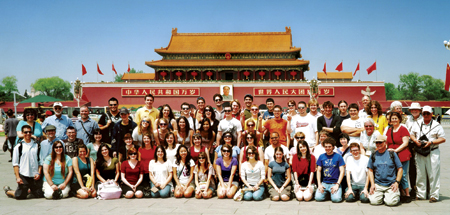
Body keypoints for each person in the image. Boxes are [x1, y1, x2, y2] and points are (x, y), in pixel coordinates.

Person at [410, 106, 445, 203]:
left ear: (431, 114)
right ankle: (421, 194)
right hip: (420, 151)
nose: (425, 115)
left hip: (433, 151)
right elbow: (411, 134)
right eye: (424, 113)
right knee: (420, 173)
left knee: (433, 174)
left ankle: (434, 195)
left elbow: (442, 138)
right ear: (422, 114)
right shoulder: (417, 123)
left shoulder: (436, 125)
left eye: (428, 113)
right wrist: (415, 140)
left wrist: (431, 142)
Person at [3, 125, 44, 199]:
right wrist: (18, 177)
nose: (28, 134)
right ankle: (9, 191)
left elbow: (40, 162)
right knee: (20, 196)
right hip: (24, 174)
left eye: (29, 132)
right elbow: (15, 164)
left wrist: (39, 173)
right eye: (25, 132)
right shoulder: (18, 147)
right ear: (22, 133)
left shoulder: (37, 146)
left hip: (34, 175)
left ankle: (28, 189)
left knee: (39, 194)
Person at [367, 135, 403, 206]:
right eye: (376, 143)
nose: (378, 144)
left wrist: (397, 182)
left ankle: (392, 195)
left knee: (391, 203)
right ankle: (384, 196)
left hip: (391, 184)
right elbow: (370, 170)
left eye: (380, 142)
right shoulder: (373, 155)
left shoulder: (392, 154)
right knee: (373, 202)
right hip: (378, 184)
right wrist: (372, 184)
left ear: (385, 143)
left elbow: (400, 169)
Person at [385, 111, 411, 203]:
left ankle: (407, 193)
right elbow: (386, 143)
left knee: (402, 175)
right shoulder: (389, 130)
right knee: (395, 174)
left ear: (399, 119)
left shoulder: (403, 129)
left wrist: (396, 150)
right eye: (393, 119)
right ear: (390, 121)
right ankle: (401, 192)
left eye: (396, 118)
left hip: (402, 154)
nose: (394, 120)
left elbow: (405, 143)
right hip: (392, 155)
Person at [315, 137, 345, 203]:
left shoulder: (338, 156)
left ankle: (334, 193)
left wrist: (338, 184)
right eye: (326, 147)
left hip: (335, 183)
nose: (327, 148)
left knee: (336, 199)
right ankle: (328, 194)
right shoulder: (321, 156)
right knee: (318, 198)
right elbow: (318, 171)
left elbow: (342, 171)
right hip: (325, 183)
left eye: (329, 146)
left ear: (333, 147)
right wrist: (319, 184)